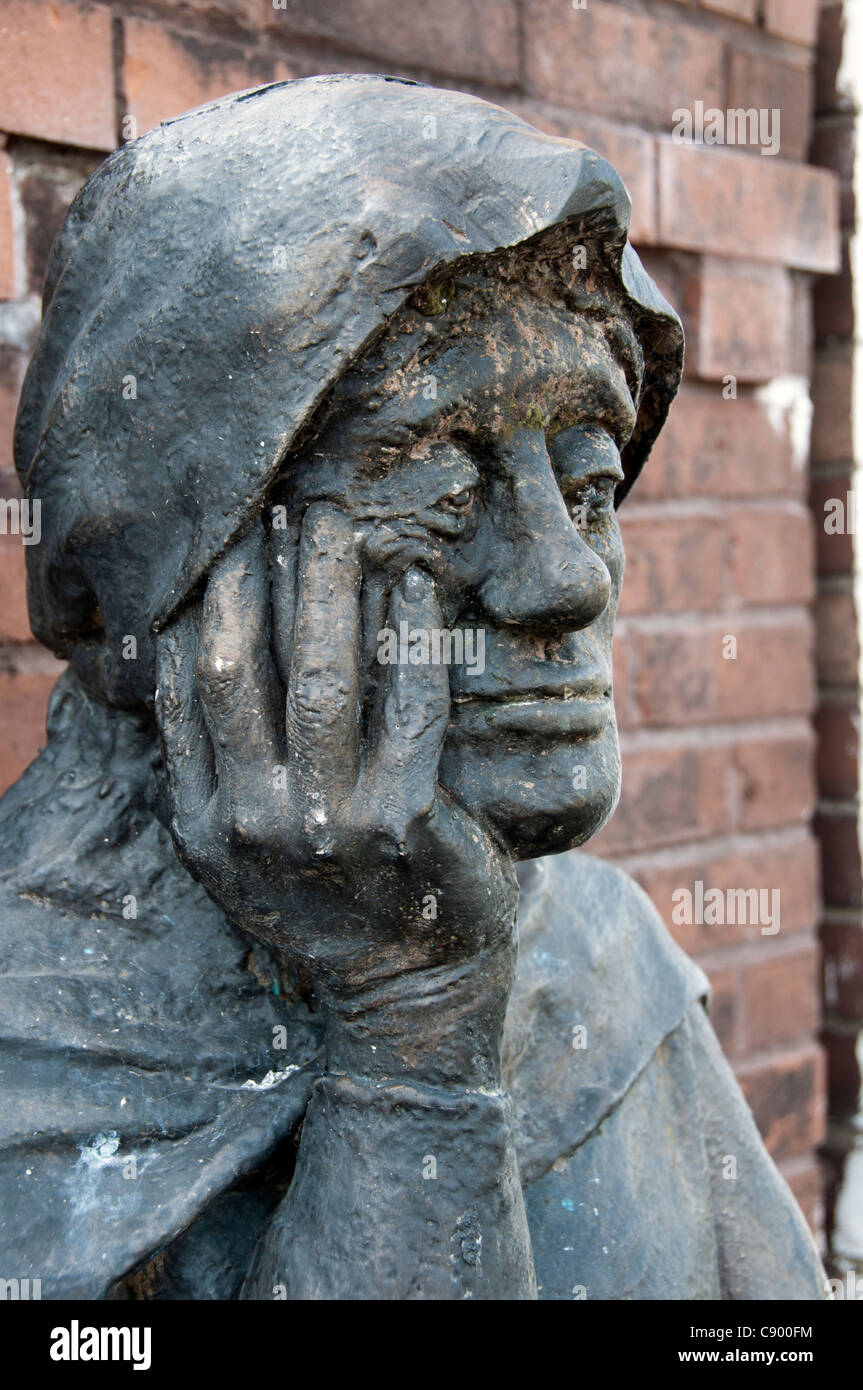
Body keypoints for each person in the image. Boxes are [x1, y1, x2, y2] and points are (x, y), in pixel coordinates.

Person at [0, 74, 826, 1300]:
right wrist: (412, 1028)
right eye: (434, 487)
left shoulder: (596, 958)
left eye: (590, 486)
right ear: (182, 574)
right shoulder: (29, 1049)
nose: (563, 582)